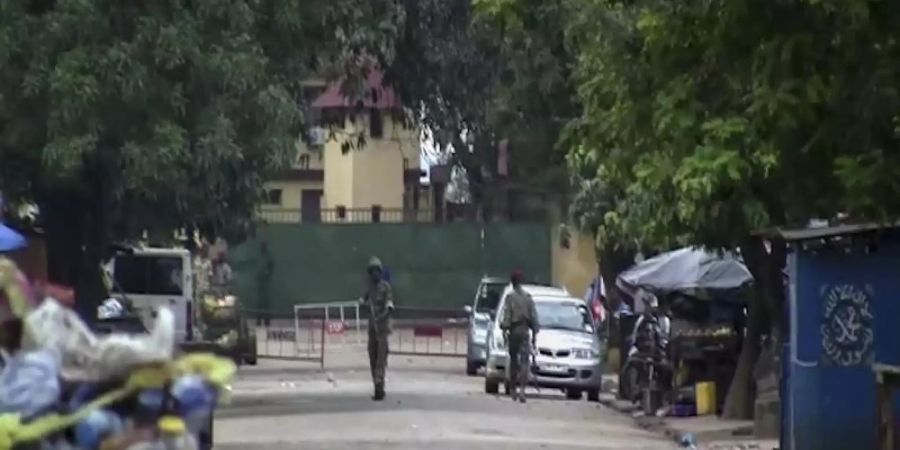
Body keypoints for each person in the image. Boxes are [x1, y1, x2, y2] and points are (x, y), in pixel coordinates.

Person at [500, 271, 539, 403]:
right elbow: (534, 318)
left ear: (512, 282)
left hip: (514, 330)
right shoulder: (528, 298)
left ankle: (513, 389)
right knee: (524, 362)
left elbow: (507, 315)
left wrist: (504, 329)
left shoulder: (510, 298)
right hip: (525, 331)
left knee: (514, 361)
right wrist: (534, 334)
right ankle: (522, 390)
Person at [360, 257, 394, 401]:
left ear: (380, 272)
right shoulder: (369, 288)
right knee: (372, 358)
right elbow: (362, 300)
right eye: (372, 271)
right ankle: (377, 384)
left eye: (377, 271)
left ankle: (379, 388)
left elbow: (390, 306)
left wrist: (382, 316)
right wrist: (362, 303)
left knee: (380, 359)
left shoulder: (385, 287)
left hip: (383, 329)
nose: (375, 274)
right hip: (372, 329)